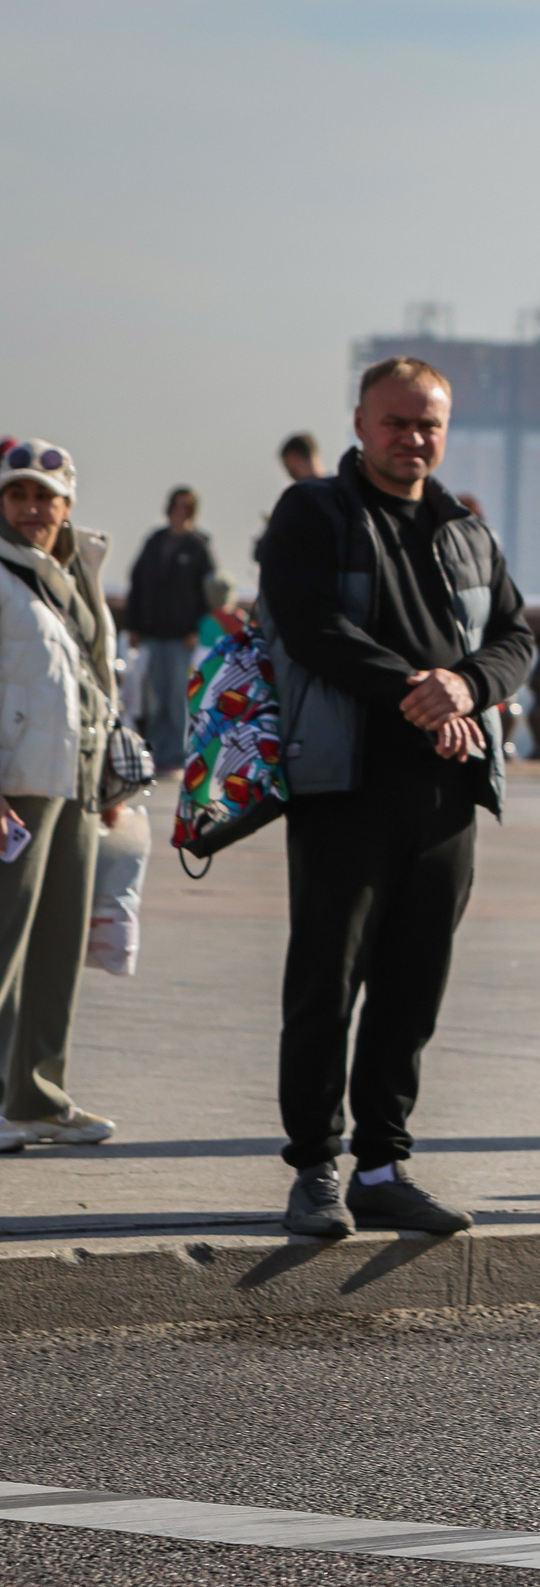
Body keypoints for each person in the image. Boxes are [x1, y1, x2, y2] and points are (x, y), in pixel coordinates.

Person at [258, 358, 536, 1238]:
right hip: (343, 783)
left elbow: (517, 637)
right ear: (359, 421)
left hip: (445, 791)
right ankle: (314, 1167)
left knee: (415, 984)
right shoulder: (316, 512)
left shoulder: (464, 529)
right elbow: (306, 623)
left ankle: (383, 1163)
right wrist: (420, 690)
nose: (413, 438)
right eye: (396, 422)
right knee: (326, 980)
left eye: (429, 424)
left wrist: (468, 687)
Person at [0, 438, 122, 1154]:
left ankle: (38, 1097)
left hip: (72, 780)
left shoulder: (73, 575)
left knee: (55, 946)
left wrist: (108, 783)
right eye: (17, 495)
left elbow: (93, 680)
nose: (32, 509)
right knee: (3, 944)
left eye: (45, 497)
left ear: (67, 505)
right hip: (15, 785)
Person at [124, 485, 218, 771]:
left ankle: (176, 756)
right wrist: (134, 626)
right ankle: (152, 752)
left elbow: (210, 593)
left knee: (177, 697)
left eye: (184, 507)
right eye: (175, 505)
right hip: (153, 632)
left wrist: (196, 629)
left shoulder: (198, 547)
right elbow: (137, 583)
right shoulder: (155, 541)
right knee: (153, 698)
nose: (179, 511)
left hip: (181, 636)